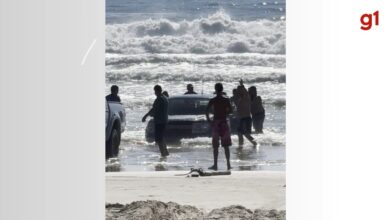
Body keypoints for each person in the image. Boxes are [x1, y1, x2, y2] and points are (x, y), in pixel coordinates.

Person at [206, 83, 233, 170]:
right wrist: (225, 113)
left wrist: (209, 120)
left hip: (216, 123)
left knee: (215, 146)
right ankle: (228, 164)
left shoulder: (213, 100)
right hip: (224, 122)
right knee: (226, 145)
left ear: (215, 89)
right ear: (222, 89)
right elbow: (231, 111)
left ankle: (215, 165)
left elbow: (206, 111)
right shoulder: (226, 100)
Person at [142, 85, 169, 157]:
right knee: (161, 137)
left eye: (155, 91)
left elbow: (153, 109)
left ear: (157, 91)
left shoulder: (159, 99)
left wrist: (145, 116)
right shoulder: (165, 98)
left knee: (159, 139)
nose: (154, 93)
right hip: (164, 120)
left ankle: (163, 154)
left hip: (159, 121)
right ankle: (166, 152)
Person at [236, 80, 257, 147]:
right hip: (241, 119)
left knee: (245, 134)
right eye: (237, 90)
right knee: (240, 134)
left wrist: (242, 85)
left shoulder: (247, 97)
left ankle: (256, 144)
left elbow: (245, 92)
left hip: (246, 119)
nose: (238, 91)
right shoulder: (240, 99)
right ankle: (240, 146)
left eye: (238, 90)